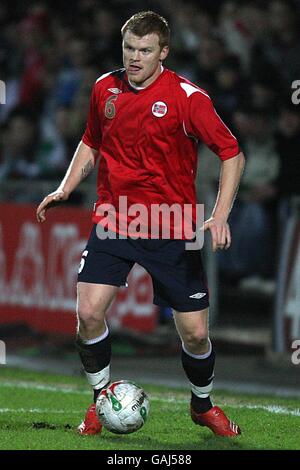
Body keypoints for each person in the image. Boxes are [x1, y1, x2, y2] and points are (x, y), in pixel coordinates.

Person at [37, 11, 245, 438]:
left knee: (195, 332)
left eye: (145, 51)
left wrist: (220, 214)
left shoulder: (189, 98)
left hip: (172, 225)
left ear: (163, 53)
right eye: (129, 48)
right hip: (115, 218)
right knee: (89, 313)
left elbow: (232, 153)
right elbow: (91, 140)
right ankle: (99, 401)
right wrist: (65, 188)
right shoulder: (104, 88)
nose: (134, 58)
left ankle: (202, 406)